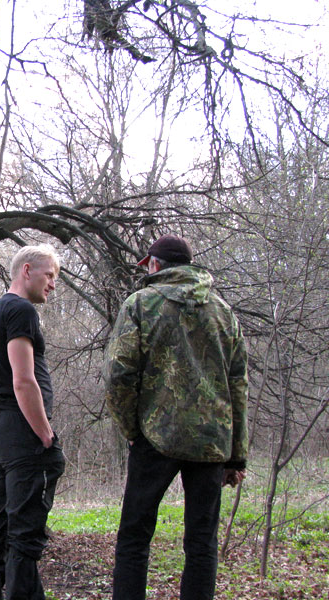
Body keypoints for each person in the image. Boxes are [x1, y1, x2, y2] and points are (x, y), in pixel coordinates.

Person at [103, 234, 248, 600]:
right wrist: (236, 456)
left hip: (155, 436)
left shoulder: (141, 304)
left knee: (134, 537)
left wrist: (131, 429)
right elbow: (238, 385)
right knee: (202, 543)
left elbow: (119, 374)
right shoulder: (224, 312)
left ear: (154, 264)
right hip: (211, 442)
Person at [0, 244, 66, 600]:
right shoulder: (21, 310)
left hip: (0, 427)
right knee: (25, 534)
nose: (53, 284)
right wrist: (45, 434)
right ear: (27, 270)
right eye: (49, 275)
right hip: (22, 431)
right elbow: (23, 380)